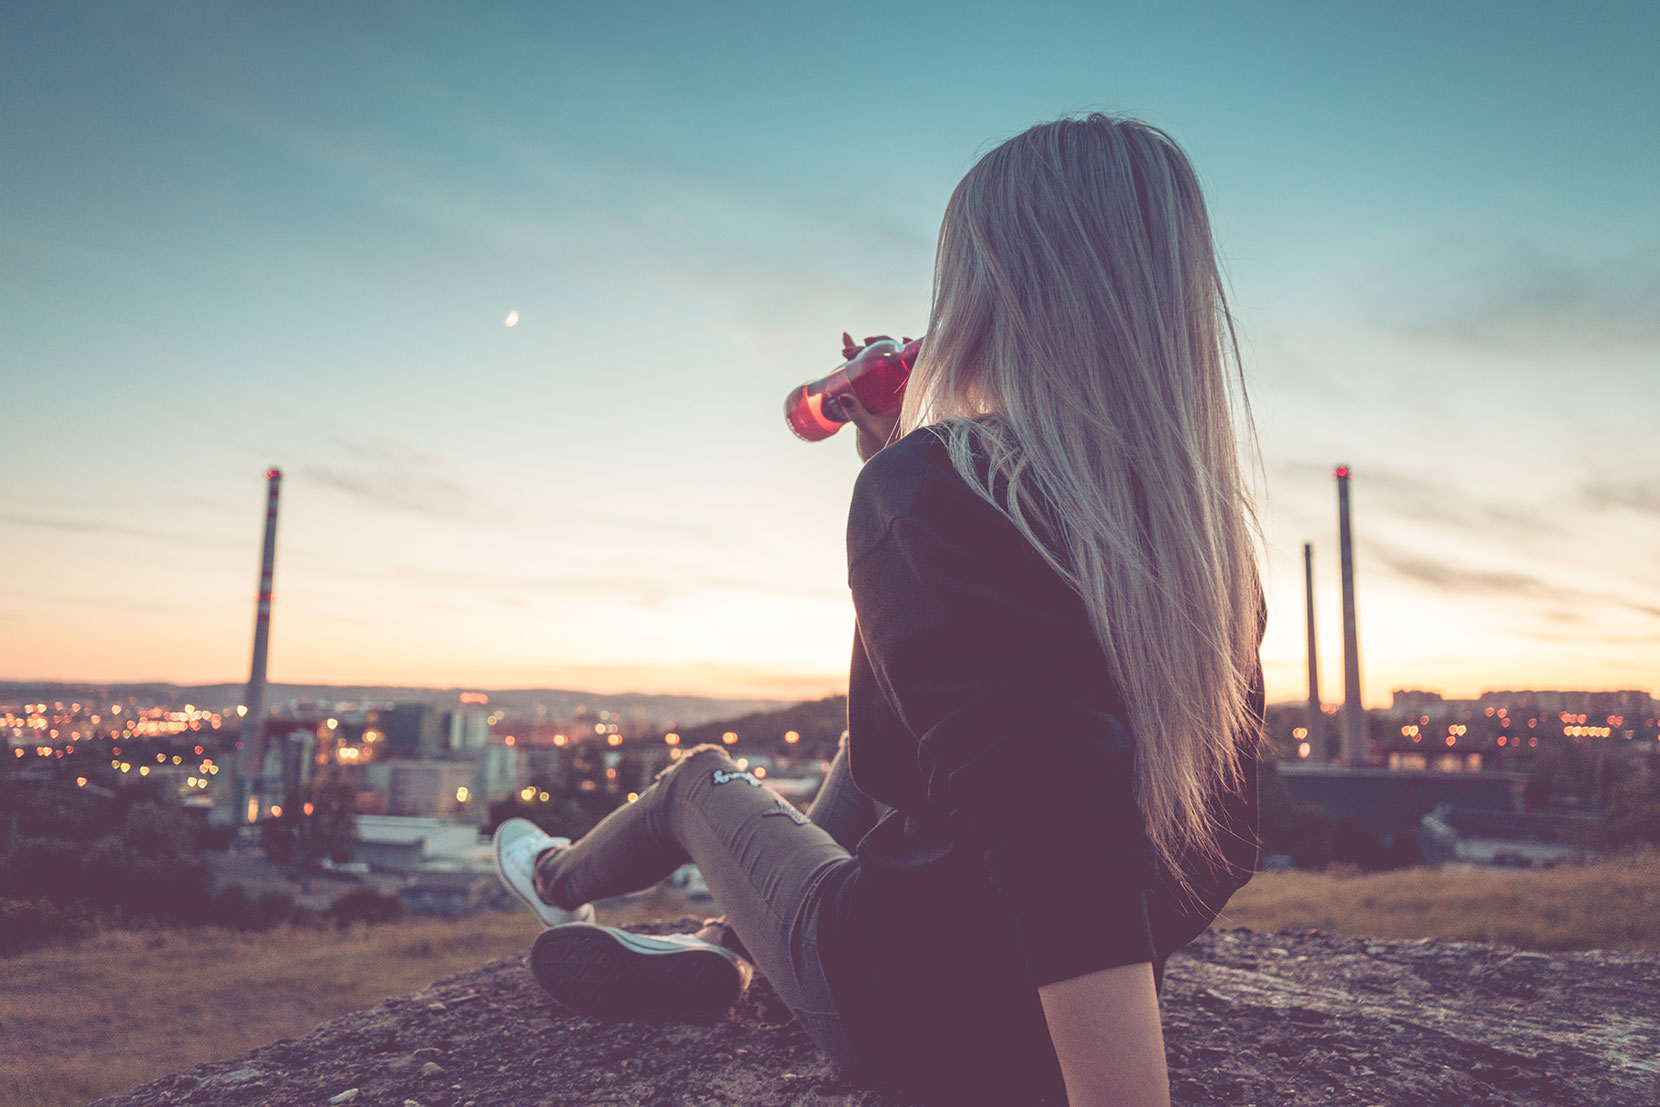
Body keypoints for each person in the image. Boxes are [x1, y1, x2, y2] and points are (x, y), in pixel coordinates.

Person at [493, 111, 1264, 1107]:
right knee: (876, 750)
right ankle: (732, 944)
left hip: (907, 1012)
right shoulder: (1197, 538)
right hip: (1065, 992)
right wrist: (902, 474)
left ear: (990, 292)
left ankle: (556, 880)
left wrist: (908, 483)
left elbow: (1057, 827)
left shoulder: (939, 485)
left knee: (696, 782)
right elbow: (1166, 812)